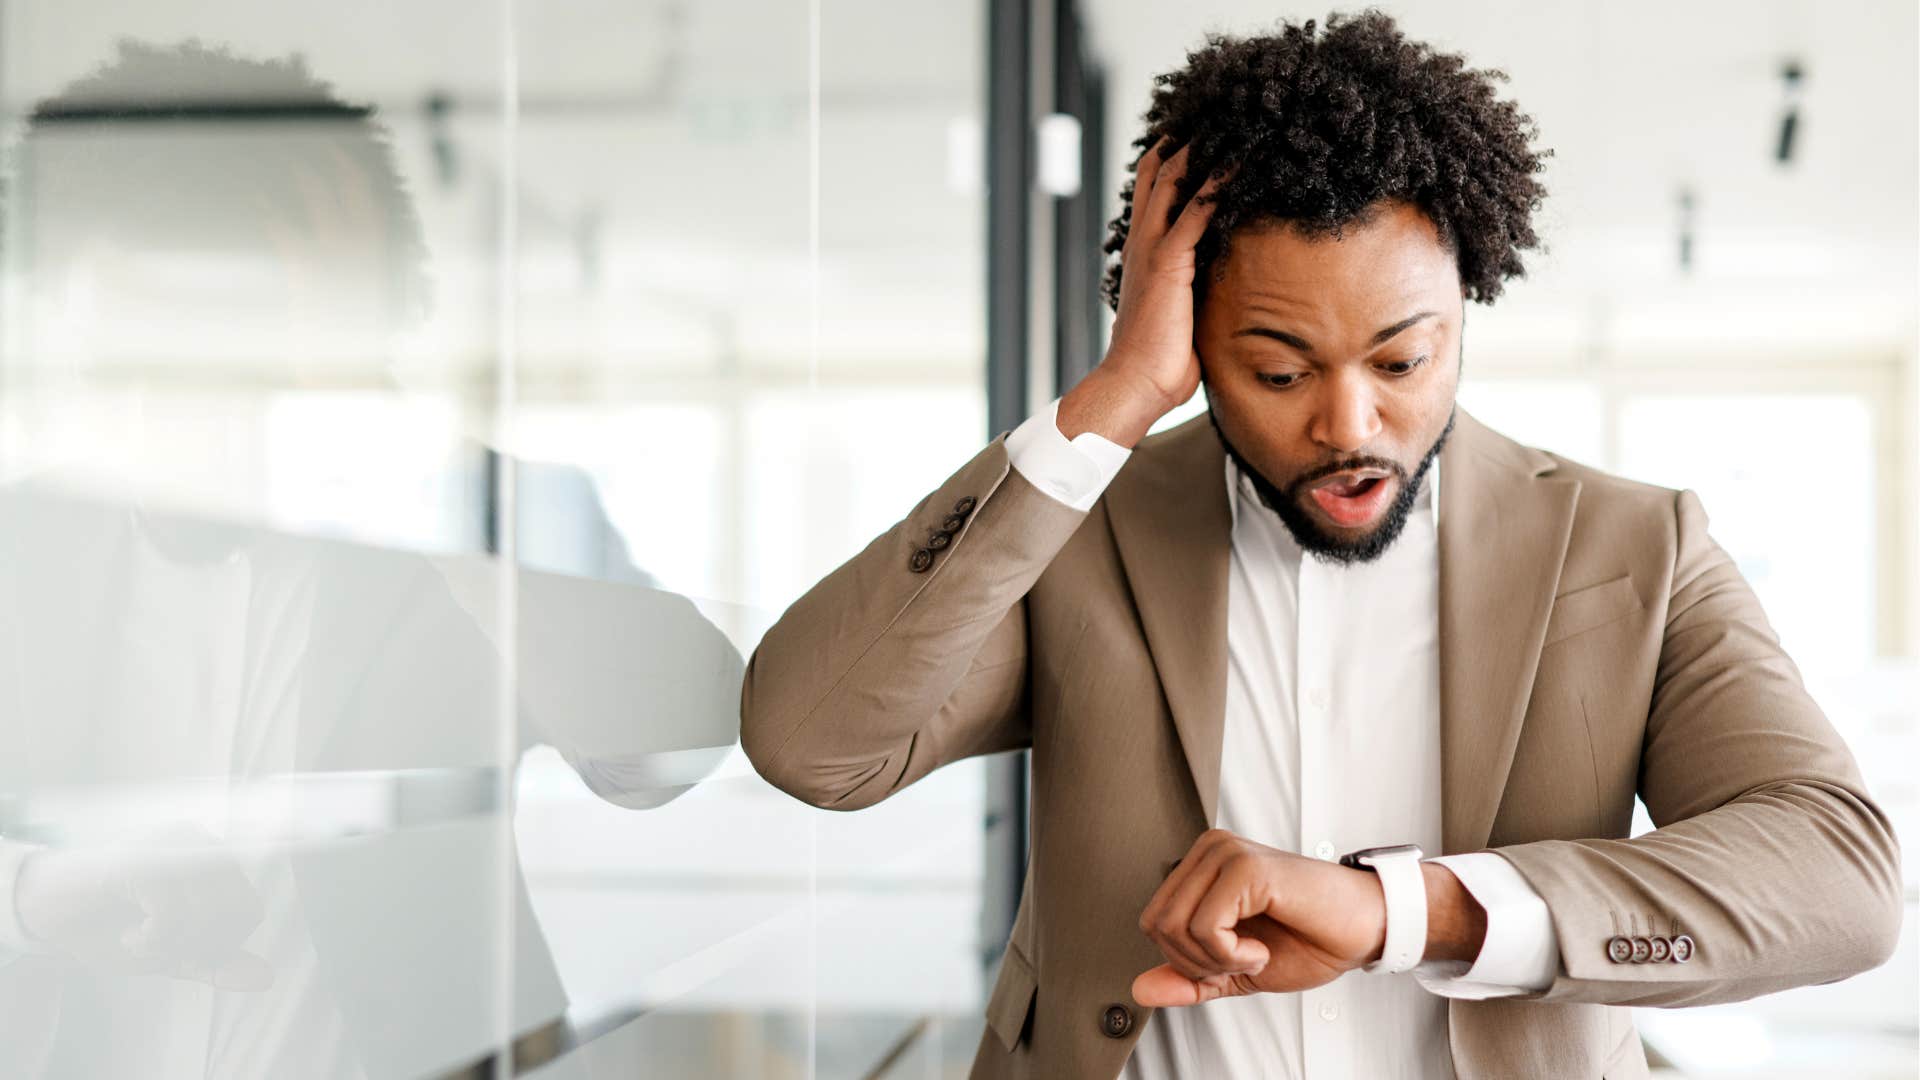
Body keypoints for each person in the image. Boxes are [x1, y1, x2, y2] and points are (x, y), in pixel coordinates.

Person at [739, 11, 1903, 1079]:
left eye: (1404, 362)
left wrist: (1409, 911)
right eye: (1280, 371)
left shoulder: (1631, 547)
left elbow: (1839, 880)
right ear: (1193, 332)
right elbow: (812, 741)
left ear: (1466, 305)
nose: (1350, 425)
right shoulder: (1085, 530)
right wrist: (1116, 398)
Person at [0, 41, 742, 1077]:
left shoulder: (474, 519)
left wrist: (392, 438)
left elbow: (690, 732)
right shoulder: (17, 548)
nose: (138, 409)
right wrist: (32, 894)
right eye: (107, 353)